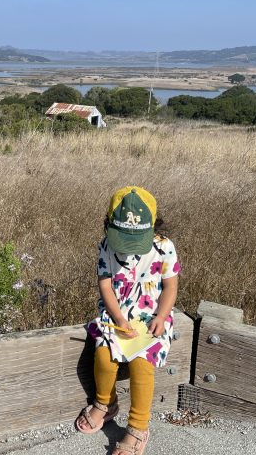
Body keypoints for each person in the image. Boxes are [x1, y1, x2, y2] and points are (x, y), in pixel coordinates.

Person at [74, 186, 181, 455]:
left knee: (142, 364)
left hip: (152, 319)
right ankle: (104, 403)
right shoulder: (107, 246)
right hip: (116, 316)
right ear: (110, 225)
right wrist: (119, 318)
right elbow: (106, 285)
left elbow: (170, 287)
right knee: (103, 355)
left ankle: (138, 426)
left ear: (153, 225)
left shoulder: (164, 247)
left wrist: (161, 315)